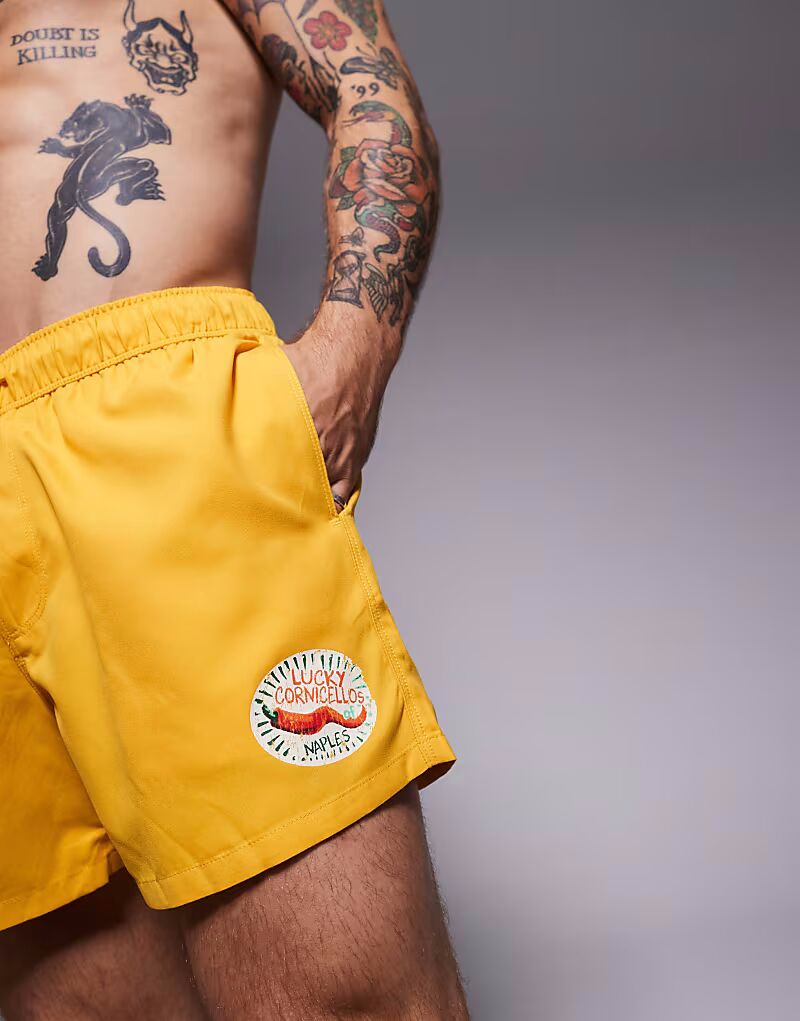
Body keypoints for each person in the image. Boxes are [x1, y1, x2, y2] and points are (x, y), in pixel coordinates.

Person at [0, 1, 468, 1017]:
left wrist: (351, 347)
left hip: (153, 415)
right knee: (70, 999)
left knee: (345, 994)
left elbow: (368, 87)